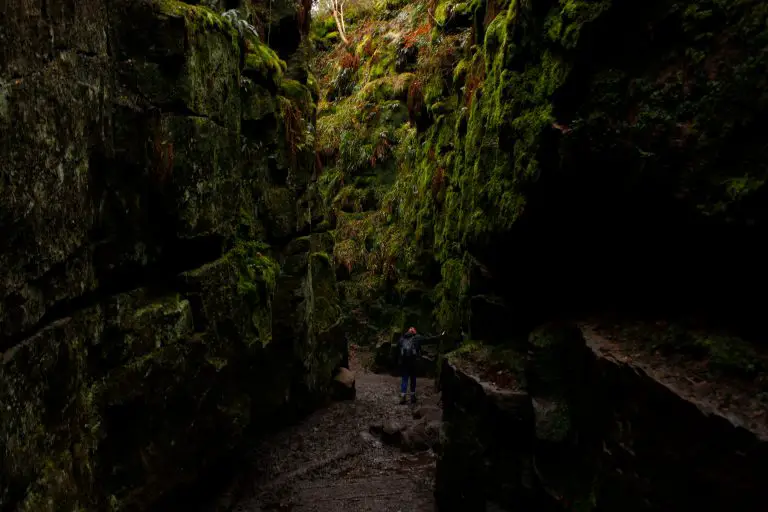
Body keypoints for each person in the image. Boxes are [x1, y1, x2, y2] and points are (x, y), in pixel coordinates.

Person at [397, 327, 445, 404]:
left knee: (405, 379)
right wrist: (440, 336)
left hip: (404, 362)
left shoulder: (402, 339)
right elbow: (428, 339)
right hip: (413, 362)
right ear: (414, 333)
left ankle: (403, 396)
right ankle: (412, 396)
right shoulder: (417, 338)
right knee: (413, 378)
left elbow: (398, 349)